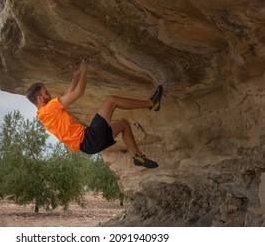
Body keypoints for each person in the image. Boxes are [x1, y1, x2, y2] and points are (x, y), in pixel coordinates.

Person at [26, 57, 163, 168]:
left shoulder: (43, 114)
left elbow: (68, 93)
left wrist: (77, 75)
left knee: (123, 124)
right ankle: (151, 103)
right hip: (88, 138)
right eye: (46, 92)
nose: (49, 94)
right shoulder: (49, 108)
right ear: (39, 98)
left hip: (88, 147)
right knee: (111, 100)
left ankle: (138, 157)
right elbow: (78, 92)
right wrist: (85, 70)